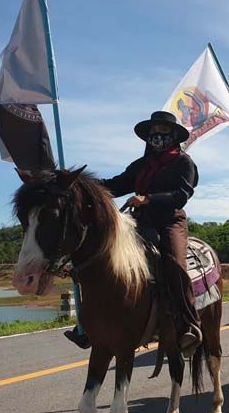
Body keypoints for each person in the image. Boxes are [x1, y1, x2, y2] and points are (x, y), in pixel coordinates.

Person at [64, 111, 202, 357]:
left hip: (170, 221)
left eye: (162, 131)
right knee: (100, 257)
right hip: (140, 222)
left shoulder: (184, 162)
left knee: (174, 264)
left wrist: (148, 199)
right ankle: (91, 323)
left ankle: (188, 323)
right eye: (153, 131)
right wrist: (81, 185)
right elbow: (116, 185)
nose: (157, 135)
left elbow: (181, 195)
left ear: (173, 135)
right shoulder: (141, 165)